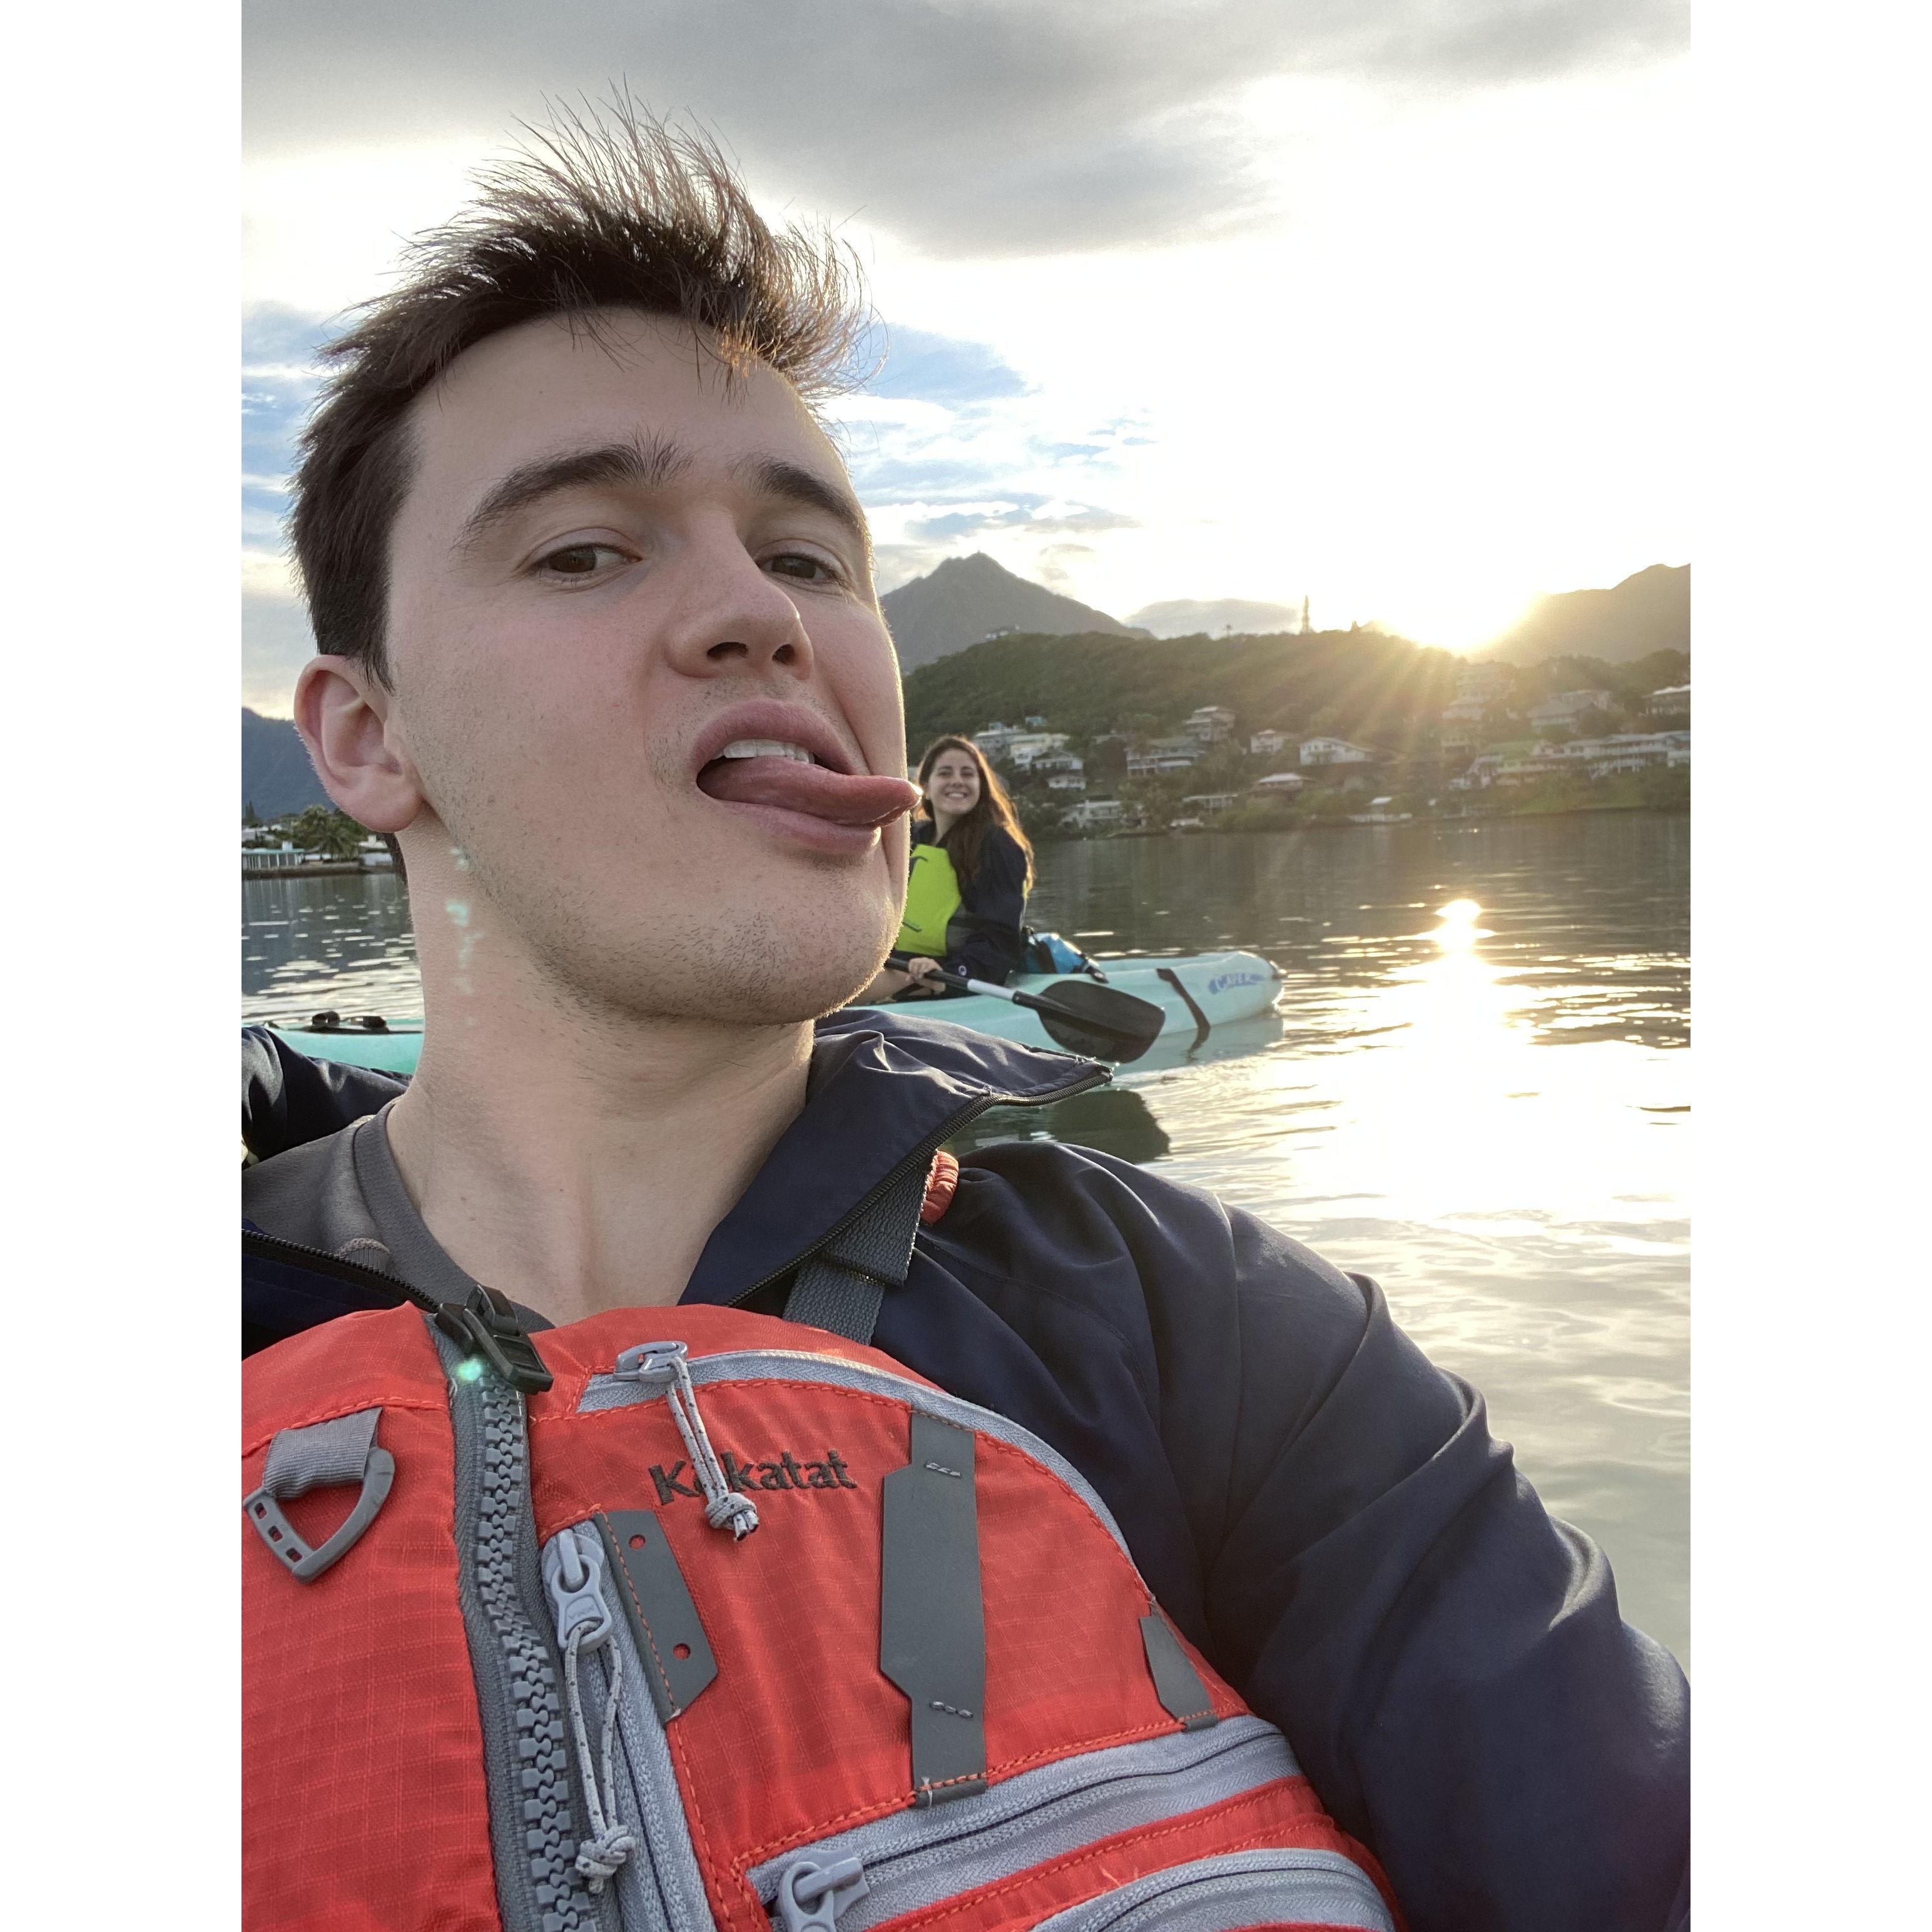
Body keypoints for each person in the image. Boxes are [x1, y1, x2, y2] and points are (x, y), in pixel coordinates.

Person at [242, 106, 1687, 1931]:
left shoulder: (1227, 1352)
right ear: (367, 736)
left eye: (811, 559)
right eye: (587, 552)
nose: (759, 614)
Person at [858, 734, 1034, 1002]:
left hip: (948, 975)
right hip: (901, 967)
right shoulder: (912, 839)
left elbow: (1001, 938)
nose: (957, 781)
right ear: (926, 787)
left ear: (981, 786)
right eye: (945, 773)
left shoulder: (997, 846)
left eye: (968, 774)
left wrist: (950, 976)